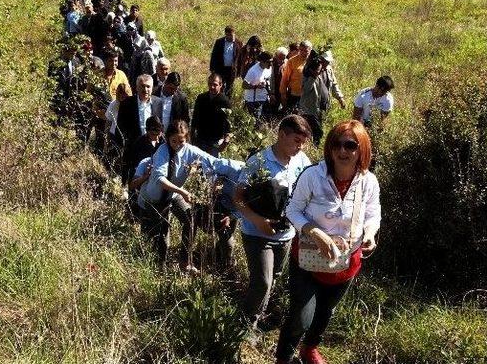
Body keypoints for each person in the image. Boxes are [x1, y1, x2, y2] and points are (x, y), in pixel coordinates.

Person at [275, 120, 381, 364]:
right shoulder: (313, 175)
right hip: (308, 259)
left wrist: (370, 233)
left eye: (350, 145)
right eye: (336, 144)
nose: (342, 151)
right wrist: (316, 233)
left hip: (345, 262)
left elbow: (373, 214)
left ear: (362, 149)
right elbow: (293, 210)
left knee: (325, 312)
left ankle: (309, 349)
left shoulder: (368, 182)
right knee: (302, 315)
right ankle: (283, 357)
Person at [234, 115, 312, 331]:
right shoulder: (258, 161)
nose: (300, 146)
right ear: (281, 134)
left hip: (285, 235)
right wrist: (258, 221)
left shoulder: (302, 161)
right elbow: (238, 197)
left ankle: (258, 316)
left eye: (303, 142)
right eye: (296, 140)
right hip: (257, 234)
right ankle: (244, 326)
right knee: (262, 282)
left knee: (273, 278)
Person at [137, 120, 217, 270]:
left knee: (190, 220)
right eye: (174, 141)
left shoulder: (189, 150)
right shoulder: (162, 151)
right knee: (161, 233)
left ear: (186, 139)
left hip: (173, 195)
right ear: (167, 138)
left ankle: (185, 262)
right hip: (155, 198)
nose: (177, 144)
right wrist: (182, 191)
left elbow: (211, 160)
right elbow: (160, 179)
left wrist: (231, 168)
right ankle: (160, 267)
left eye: (181, 141)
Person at [298, 52, 346, 146]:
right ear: (320, 60)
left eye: (328, 62)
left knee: (318, 128)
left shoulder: (328, 69)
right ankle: (311, 147)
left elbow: (334, 85)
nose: (327, 63)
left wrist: (340, 98)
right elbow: (305, 90)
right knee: (316, 130)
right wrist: (313, 76)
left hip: (322, 106)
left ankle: (313, 145)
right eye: (325, 61)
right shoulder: (309, 70)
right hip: (310, 107)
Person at [191, 74, 231, 157]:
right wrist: (192, 135)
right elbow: (195, 117)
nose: (212, 87)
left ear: (220, 85)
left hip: (215, 140)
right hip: (200, 138)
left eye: (215, 85)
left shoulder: (225, 101)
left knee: (211, 164)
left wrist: (226, 141)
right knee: (196, 163)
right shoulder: (201, 98)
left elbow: (228, 123)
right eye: (210, 84)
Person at [125, 115, 164, 183]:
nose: (157, 138)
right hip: (142, 178)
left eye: (158, 134)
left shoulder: (164, 142)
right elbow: (133, 166)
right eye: (153, 134)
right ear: (147, 131)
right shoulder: (139, 144)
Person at [105, 82, 133, 172]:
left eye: (124, 93)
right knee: (114, 158)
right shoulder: (114, 104)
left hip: (128, 136)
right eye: (120, 93)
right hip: (114, 135)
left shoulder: (133, 104)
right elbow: (108, 122)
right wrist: (106, 138)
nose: (122, 95)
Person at [209, 26, 243, 99]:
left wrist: (239, 71)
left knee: (230, 87)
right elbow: (214, 55)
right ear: (226, 34)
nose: (232, 37)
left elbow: (240, 58)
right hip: (220, 69)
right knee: (219, 86)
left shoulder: (238, 43)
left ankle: (227, 102)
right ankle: (218, 100)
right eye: (230, 35)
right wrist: (212, 69)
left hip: (231, 70)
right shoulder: (219, 42)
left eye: (233, 35)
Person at [280, 40, 312, 112]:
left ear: (310, 50)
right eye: (301, 50)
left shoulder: (314, 61)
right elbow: (285, 79)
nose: (303, 53)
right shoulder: (292, 61)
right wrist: (283, 94)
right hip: (295, 95)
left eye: (306, 51)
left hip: (309, 96)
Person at [243, 51, 273, 123]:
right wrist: (256, 86)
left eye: (272, 61)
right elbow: (244, 85)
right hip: (253, 100)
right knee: (255, 122)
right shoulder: (253, 71)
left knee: (264, 120)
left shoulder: (268, 68)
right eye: (269, 62)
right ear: (262, 61)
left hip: (264, 98)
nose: (271, 64)